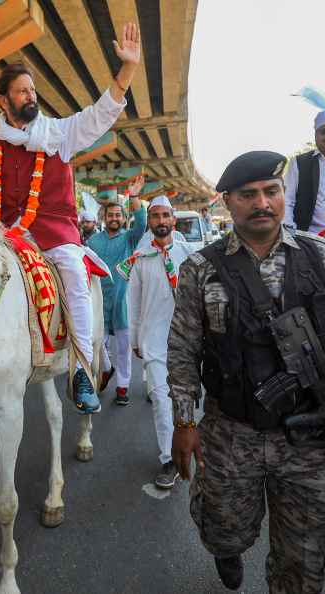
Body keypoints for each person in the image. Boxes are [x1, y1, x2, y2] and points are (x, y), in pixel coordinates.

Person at [168, 150, 325, 592]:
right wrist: (184, 421)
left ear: (283, 195)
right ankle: (228, 550)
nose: (262, 202)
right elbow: (183, 349)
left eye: (271, 191)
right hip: (230, 432)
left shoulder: (322, 256)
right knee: (223, 527)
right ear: (228, 202)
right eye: (248, 194)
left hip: (308, 435)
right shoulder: (200, 269)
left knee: (305, 558)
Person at [0, 23, 141, 414]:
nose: (31, 96)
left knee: (76, 277)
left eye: (33, 90)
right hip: (5, 236)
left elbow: (101, 114)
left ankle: (80, 369)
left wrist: (126, 70)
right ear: (3, 101)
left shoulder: (59, 133)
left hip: (57, 234)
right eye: (23, 91)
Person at [125, 196, 192, 488]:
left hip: (188, 341)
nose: (161, 221)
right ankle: (169, 460)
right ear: (149, 222)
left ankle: (193, 444)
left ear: (173, 220)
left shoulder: (190, 253)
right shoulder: (139, 260)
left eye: (166, 216)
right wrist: (136, 339)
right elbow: (133, 302)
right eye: (156, 216)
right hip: (154, 341)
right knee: (162, 403)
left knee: (186, 400)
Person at [87, 176, 146, 405]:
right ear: (105, 217)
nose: (114, 218)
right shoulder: (93, 242)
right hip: (99, 302)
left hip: (122, 302)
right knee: (96, 343)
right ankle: (106, 369)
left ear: (123, 219)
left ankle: (122, 387)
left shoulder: (130, 238)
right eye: (110, 215)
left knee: (123, 348)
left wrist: (134, 197)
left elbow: (141, 222)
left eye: (118, 215)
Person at [283, 110, 325, 233]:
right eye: (324, 131)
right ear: (316, 134)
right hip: (307, 239)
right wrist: (289, 229)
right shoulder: (299, 163)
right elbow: (287, 200)